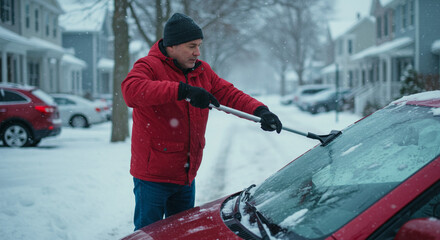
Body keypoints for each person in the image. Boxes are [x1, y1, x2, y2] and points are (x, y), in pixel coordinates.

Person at [121, 12, 283, 231]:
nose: (197, 52)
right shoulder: (149, 65)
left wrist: (260, 111)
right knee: (148, 234)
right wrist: (182, 90)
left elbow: (229, 94)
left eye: (199, 45)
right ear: (172, 46)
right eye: (191, 46)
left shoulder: (202, 71)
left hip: (186, 173)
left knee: (182, 233)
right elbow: (131, 91)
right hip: (153, 177)